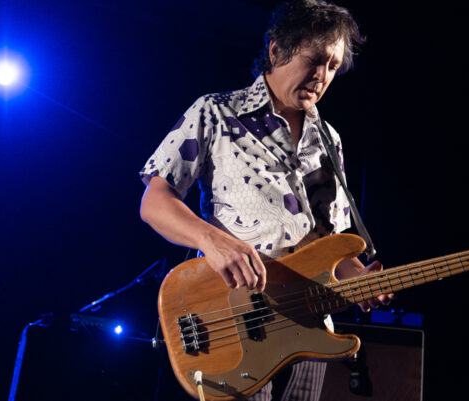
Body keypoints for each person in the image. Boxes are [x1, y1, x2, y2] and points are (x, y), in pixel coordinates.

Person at [139, 1, 392, 399]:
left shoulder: (330, 140)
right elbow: (154, 201)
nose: (322, 76)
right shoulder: (216, 112)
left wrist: (360, 278)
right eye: (315, 60)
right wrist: (211, 240)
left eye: (332, 66)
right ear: (276, 50)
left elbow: (332, 244)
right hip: (234, 319)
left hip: (309, 330)